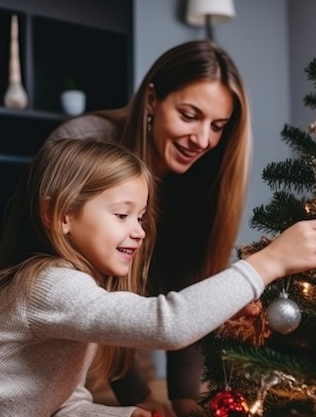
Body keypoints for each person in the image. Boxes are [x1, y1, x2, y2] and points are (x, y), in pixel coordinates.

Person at [0, 138, 316, 417]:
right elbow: (167, 324)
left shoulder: (75, 289)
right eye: (122, 214)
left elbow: (62, 404)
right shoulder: (49, 284)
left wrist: (119, 415)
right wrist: (268, 264)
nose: (138, 231)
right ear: (60, 216)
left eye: (141, 217)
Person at [47, 39, 253, 414]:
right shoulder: (81, 145)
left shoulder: (205, 180)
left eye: (218, 126)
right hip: (51, 358)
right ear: (153, 99)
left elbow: (194, 287)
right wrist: (135, 394)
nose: (203, 139)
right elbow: (85, 298)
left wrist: (185, 397)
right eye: (189, 115)